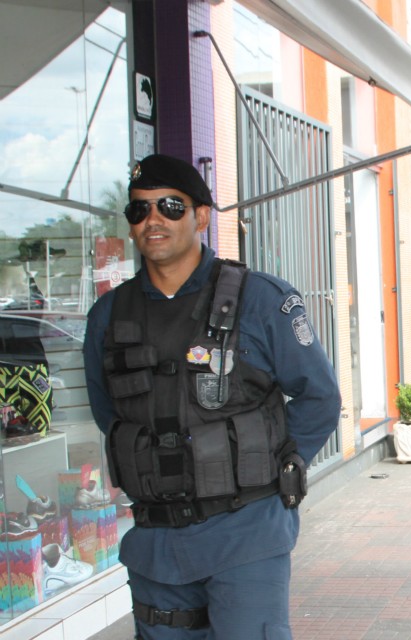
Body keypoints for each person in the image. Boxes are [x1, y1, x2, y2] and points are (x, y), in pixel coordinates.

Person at [82, 154, 341, 639]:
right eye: (139, 211)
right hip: (156, 544)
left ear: (201, 216)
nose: (152, 220)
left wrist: (278, 463)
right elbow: (109, 413)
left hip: (246, 532)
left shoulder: (261, 300)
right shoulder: (108, 316)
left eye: (170, 207)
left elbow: (319, 398)